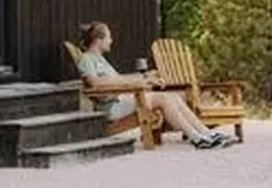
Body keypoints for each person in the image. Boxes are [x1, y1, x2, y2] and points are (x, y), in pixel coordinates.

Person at [76, 22, 234, 149]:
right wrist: (136, 82)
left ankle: (206, 133)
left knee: (172, 97)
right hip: (112, 107)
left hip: (122, 99)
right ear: (98, 40)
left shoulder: (100, 59)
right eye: (109, 37)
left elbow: (119, 79)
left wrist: (144, 79)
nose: (112, 41)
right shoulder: (86, 59)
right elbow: (95, 83)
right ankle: (197, 138)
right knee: (163, 98)